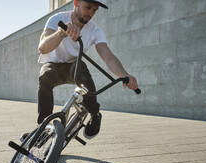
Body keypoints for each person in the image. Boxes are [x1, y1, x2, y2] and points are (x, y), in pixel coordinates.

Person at [21, 0, 138, 141]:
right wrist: (61, 33)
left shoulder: (95, 30)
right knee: (45, 75)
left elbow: (108, 57)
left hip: (74, 67)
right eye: (88, 7)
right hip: (54, 65)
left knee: (81, 67)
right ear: (76, 3)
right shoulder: (58, 19)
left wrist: (125, 75)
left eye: (94, 10)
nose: (91, 13)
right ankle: (43, 127)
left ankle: (95, 114)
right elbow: (42, 48)